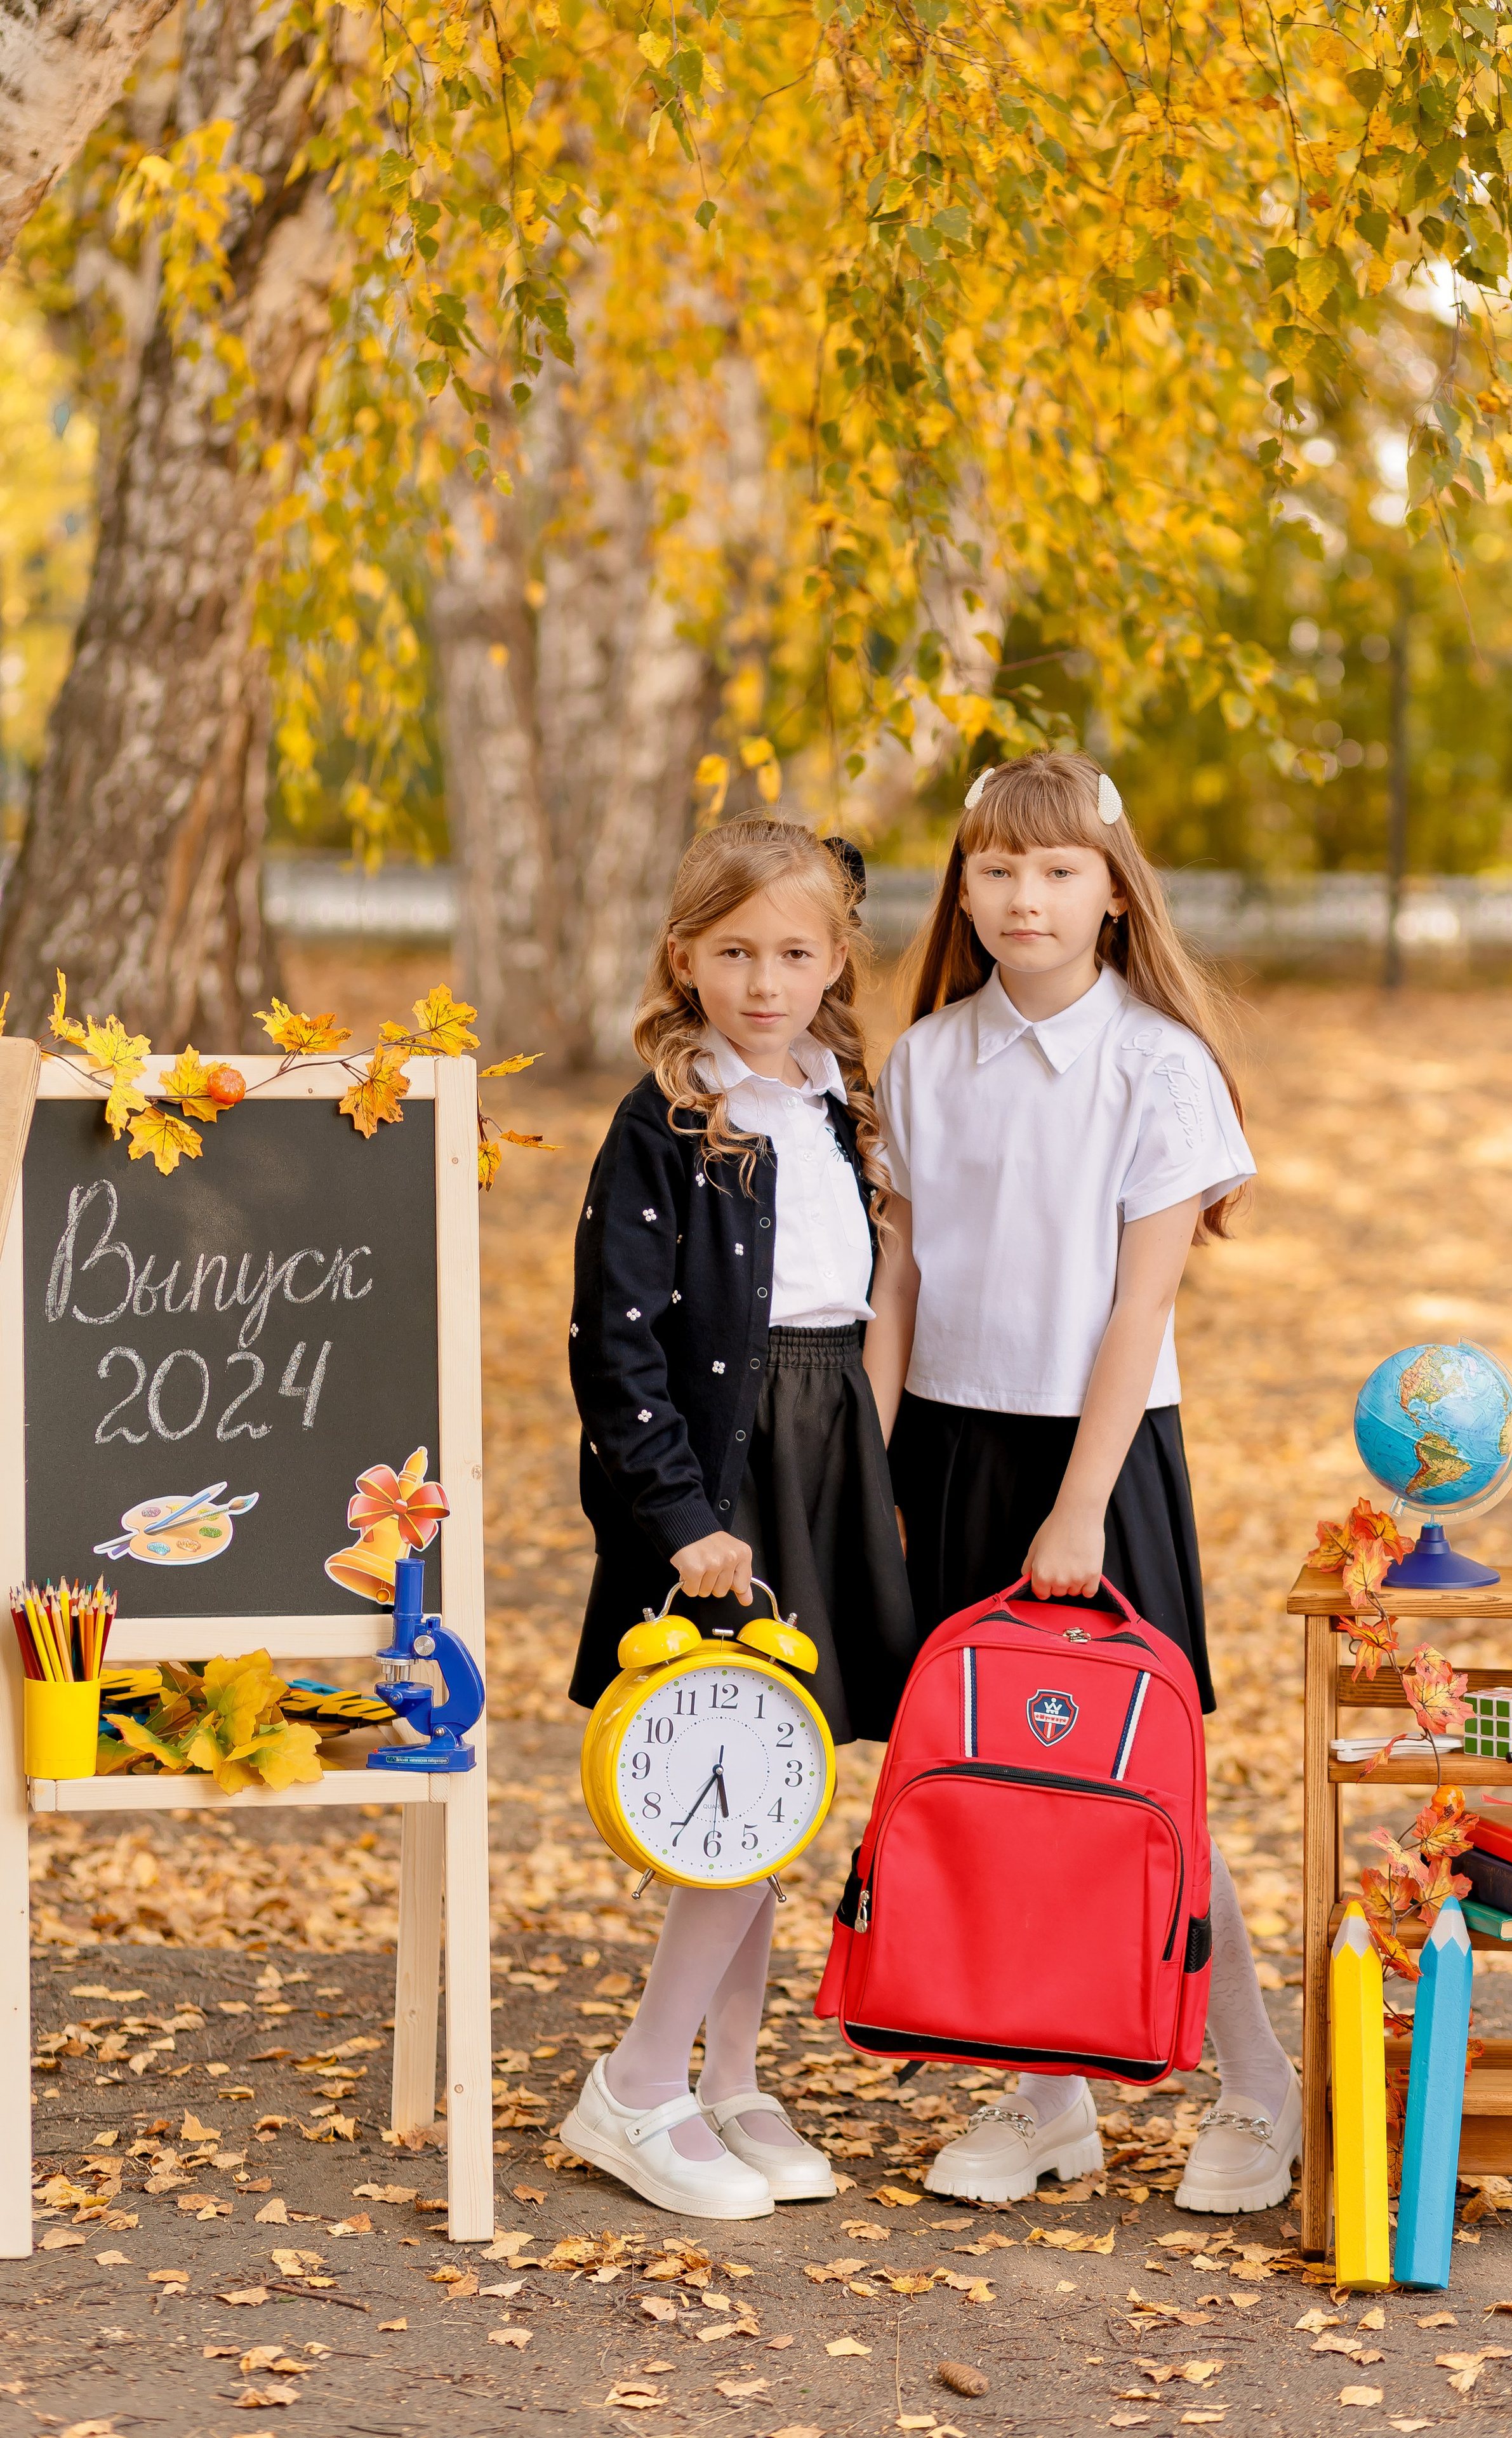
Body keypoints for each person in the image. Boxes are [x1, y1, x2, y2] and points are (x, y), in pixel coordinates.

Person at [864, 749, 1300, 2215]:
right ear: (963, 886)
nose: (1022, 896)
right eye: (994, 868)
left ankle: (1254, 2092)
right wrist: (867, 1474)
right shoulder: (924, 1059)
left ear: (1112, 894)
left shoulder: (1154, 1066)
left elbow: (1138, 1309)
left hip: (1097, 1455)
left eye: (1055, 870)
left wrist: (1074, 1506)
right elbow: (899, 1285)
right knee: (996, 1792)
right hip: (950, 1442)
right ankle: (1045, 2102)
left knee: (1136, 1787)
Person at [562, 816, 916, 2218]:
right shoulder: (667, 1118)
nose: (763, 981)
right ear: (683, 959)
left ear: (835, 959)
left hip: (826, 1447)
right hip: (722, 1477)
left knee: (790, 1781)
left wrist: (870, 1460)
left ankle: (731, 2078)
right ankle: (637, 2086)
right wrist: (679, 1514)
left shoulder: (839, 1100)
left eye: (791, 951)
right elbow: (614, 1341)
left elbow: (860, 1298)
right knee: (741, 1779)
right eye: (732, 952)